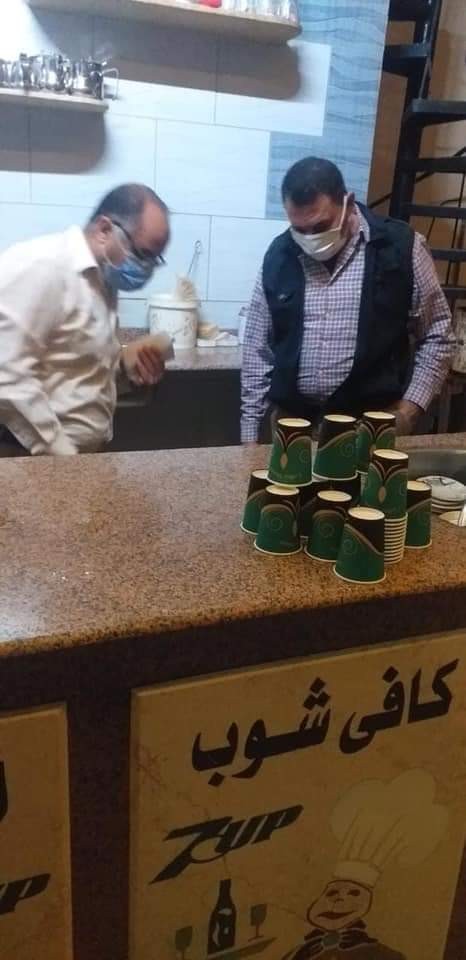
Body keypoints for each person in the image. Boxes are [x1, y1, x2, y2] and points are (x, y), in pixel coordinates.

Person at [241, 157, 455, 442]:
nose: (310, 239)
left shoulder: (400, 248)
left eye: (320, 226)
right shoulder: (280, 255)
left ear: (348, 203)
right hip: (291, 428)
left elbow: (438, 335)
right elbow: (257, 351)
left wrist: (409, 410)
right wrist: (249, 441)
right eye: (299, 230)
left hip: (370, 428)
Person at [0, 183, 170, 456]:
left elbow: (77, 373)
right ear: (104, 230)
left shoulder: (102, 280)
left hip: (75, 456)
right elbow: (7, 374)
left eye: (155, 259)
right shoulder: (43, 267)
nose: (147, 268)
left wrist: (126, 370)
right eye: (143, 255)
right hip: (31, 457)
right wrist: (62, 454)